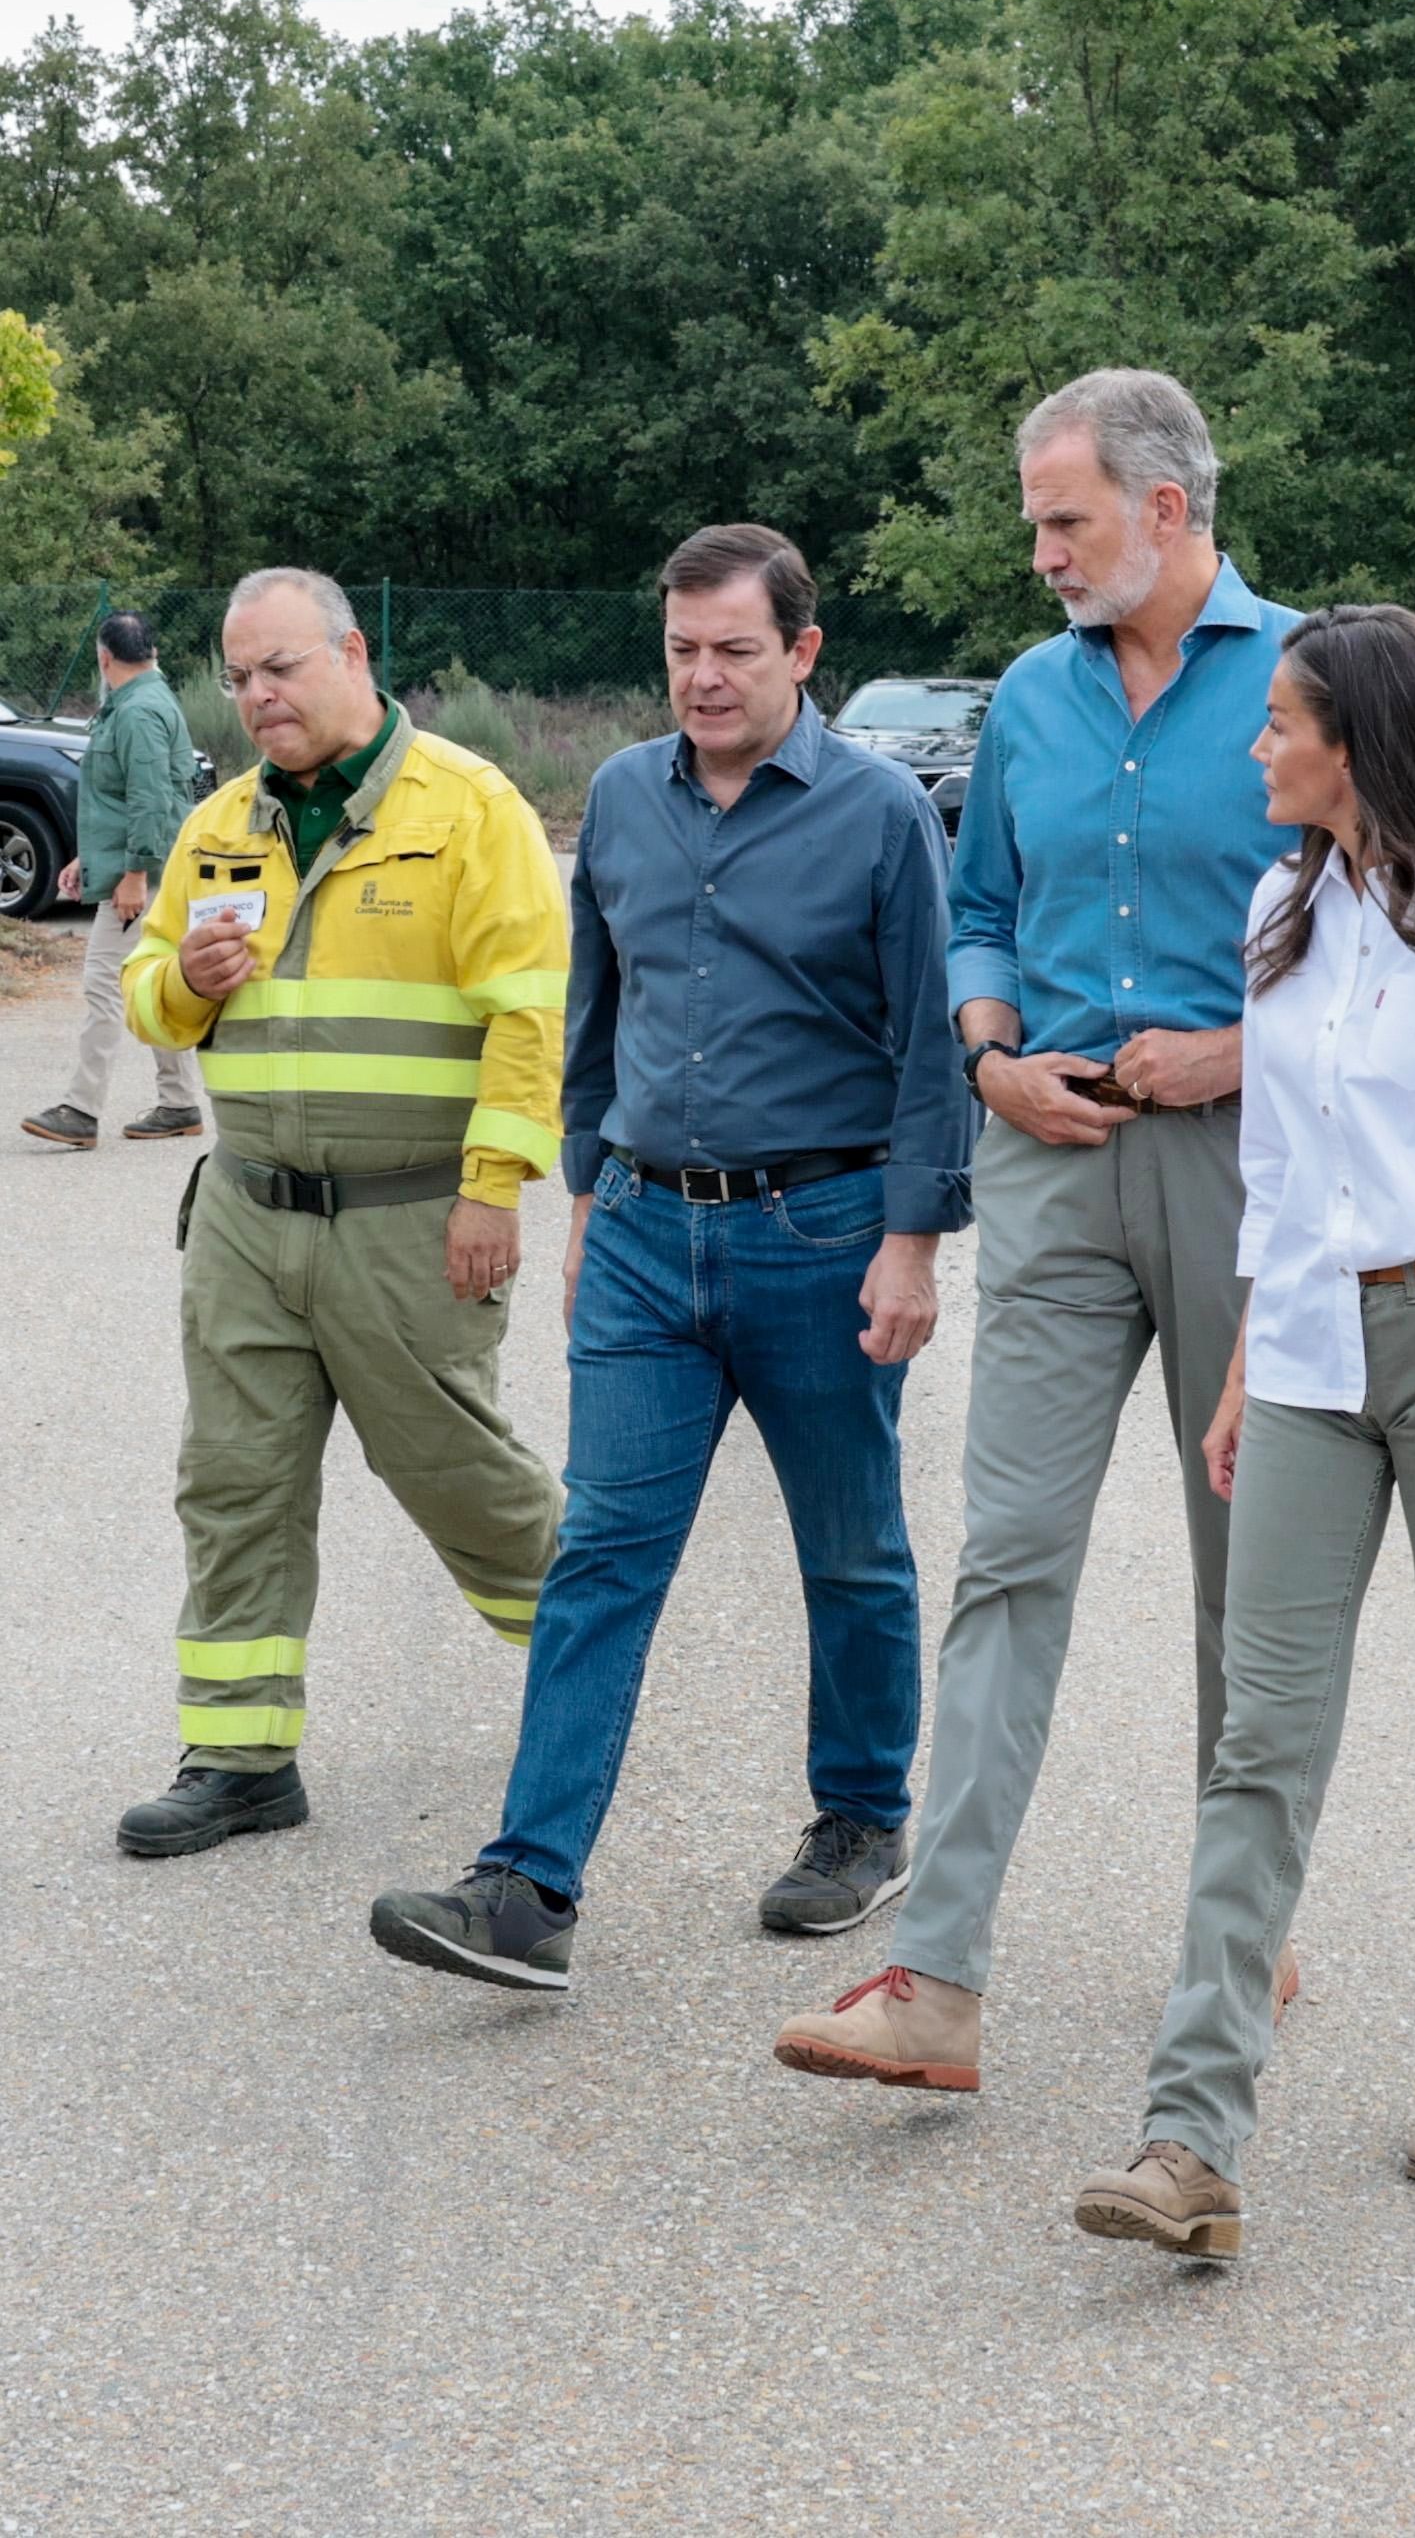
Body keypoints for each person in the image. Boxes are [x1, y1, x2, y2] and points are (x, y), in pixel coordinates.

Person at [775, 368, 1301, 2099]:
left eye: (1059, 521)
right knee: (1007, 1560)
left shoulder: (1313, 680)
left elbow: (1391, 924)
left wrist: (1246, 1043)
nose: (1038, 555)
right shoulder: (1025, 696)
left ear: (1163, 509)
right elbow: (979, 904)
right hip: (1056, 1170)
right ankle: (935, 1978)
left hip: (1248, 1171)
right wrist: (989, 1054)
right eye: (1031, 523)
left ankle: (1243, 1919)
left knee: (1247, 1575)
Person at [1072, 604, 1415, 2260]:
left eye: (1276, 725)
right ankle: (1187, 2141)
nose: (1254, 748)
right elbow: (1278, 1178)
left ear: (1354, 744)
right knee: (1261, 1736)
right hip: (1307, 1353)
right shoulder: (1279, 906)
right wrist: (1240, 1366)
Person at [367, 520, 973, 1992]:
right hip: (643, 1236)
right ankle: (527, 1887)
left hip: (816, 1238)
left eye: (734, 653)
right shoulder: (628, 800)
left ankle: (857, 1823)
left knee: (851, 1554)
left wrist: (911, 1246)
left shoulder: (884, 815)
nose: (702, 679)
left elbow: (926, 1052)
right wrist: (587, 1202)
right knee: (601, 1556)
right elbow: (596, 1021)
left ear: (803, 653)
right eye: (682, 652)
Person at [114, 566, 567, 1859]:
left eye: (282, 669)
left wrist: (494, 1190)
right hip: (248, 1218)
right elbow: (147, 987)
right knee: (233, 1481)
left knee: (459, 1476)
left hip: (411, 1221)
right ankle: (241, 1757)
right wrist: (185, 983)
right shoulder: (220, 827)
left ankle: (588, 1670)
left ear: (354, 654)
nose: (257, 696)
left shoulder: (469, 811)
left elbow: (530, 1018)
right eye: (240, 676)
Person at [22, 612, 204, 1150]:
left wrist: (134, 876)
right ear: (150, 651)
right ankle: (179, 1103)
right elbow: (120, 799)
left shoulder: (139, 711)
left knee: (104, 987)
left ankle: (81, 1109)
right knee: (154, 986)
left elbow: (150, 801)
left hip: (142, 878)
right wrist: (87, 859)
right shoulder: (136, 704)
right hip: (142, 871)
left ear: (105, 657)